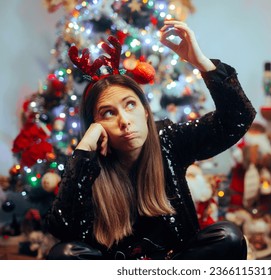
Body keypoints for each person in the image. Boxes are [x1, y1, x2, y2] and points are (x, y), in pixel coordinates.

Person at [45, 20, 256, 260]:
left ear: (145, 111)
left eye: (130, 105)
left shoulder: (168, 140)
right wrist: (84, 150)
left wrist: (201, 63)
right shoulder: (88, 164)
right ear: (96, 125)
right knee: (63, 254)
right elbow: (62, 228)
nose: (124, 121)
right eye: (108, 113)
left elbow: (237, 119)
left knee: (228, 237)